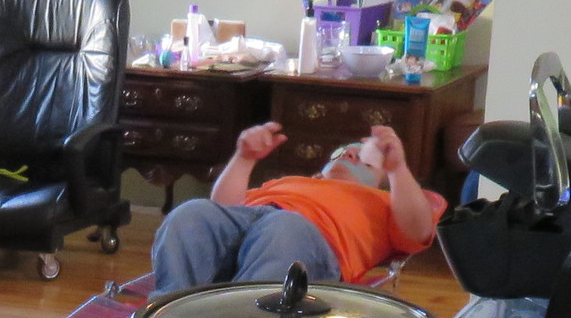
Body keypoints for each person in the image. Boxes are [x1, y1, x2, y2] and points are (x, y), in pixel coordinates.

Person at [149, 121, 444, 292]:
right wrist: (244, 158)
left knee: (283, 225)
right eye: (343, 153)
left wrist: (397, 170)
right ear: (319, 173)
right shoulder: (292, 183)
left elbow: (418, 229)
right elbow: (221, 213)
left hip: (308, 241)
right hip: (255, 220)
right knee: (190, 214)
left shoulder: (384, 202)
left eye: (366, 161)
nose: (350, 157)